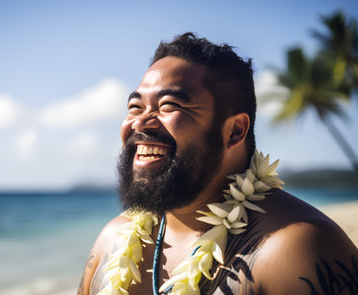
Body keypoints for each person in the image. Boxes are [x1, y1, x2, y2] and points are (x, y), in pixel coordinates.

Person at [78, 33, 358, 295]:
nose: (139, 122)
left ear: (235, 131)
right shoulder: (111, 241)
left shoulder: (294, 251)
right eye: (135, 107)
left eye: (168, 106)